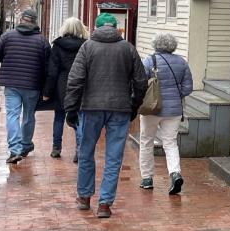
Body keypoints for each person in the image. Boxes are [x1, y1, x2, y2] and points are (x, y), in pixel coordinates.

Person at [64, 13, 147, 218]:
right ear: (116, 28)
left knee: (86, 152)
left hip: (90, 108)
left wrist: (71, 109)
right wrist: (133, 105)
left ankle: (84, 197)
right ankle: (105, 204)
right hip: (120, 109)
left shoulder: (87, 47)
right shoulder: (128, 48)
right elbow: (141, 81)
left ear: (96, 27)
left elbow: (75, 80)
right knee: (113, 157)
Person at [0, 7, 51, 164]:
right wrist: (46, 88)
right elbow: (49, 67)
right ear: (35, 23)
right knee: (28, 116)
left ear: (21, 20)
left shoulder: (7, 36)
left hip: (12, 84)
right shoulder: (42, 41)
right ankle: (25, 145)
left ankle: (15, 149)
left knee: (12, 115)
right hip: (33, 85)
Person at [139, 32, 193, 195]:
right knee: (170, 143)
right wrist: (176, 96)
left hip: (151, 110)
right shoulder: (181, 62)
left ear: (155, 44)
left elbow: (141, 84)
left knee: (147, 141)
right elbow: (188, 87)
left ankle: (147, 178)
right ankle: (175, 173)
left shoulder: (149, 61)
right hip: (174, 110)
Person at [43, 17, 89, 161]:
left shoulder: (57, 45)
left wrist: (47, 91)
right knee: (79, 118)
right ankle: (80, 149)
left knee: (59, 117)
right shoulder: (86, 45)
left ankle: (56, 148)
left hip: (61, 86)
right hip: (80, 85)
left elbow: (52, 71)